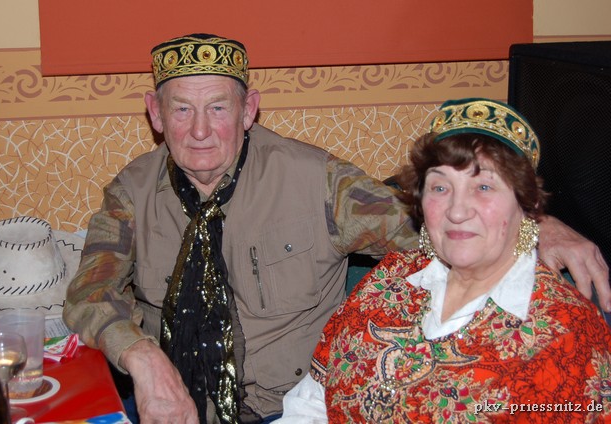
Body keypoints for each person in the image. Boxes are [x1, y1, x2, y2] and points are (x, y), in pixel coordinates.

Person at [62, 33, 610, 424]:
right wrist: (144, 360)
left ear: (249, 110)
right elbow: (90, 290)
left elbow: (436, 218)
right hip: (168, 406)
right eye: (181, 110)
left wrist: (535, 220)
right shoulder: (131, 192)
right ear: (155, 114)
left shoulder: (316, 182)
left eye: (219, 108)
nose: (200, 131)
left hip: (281, 408)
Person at [275, 98, 611, 423]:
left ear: (526, 204)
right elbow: (312, 403)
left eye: (483, 186)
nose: (457, 211)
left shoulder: (565, 332)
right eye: (439, 188)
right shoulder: (387, 279)